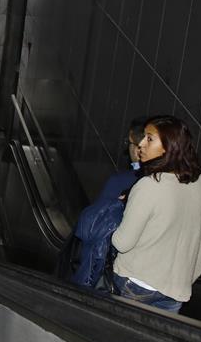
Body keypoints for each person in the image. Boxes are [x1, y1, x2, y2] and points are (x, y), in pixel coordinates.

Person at [111, 115, 201, 313]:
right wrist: (186, 278)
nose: (140, 144)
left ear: (168, 146)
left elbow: (122, 242)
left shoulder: (149, 185)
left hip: (135, 284)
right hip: (175, 290)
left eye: (149, 139)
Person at [63, 117, 148, 286]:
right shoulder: (170, 183)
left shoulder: (120, 182)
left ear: (140, 147)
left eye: (129, 142)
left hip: (118, 272)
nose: (128, 148)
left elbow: (93, 229)